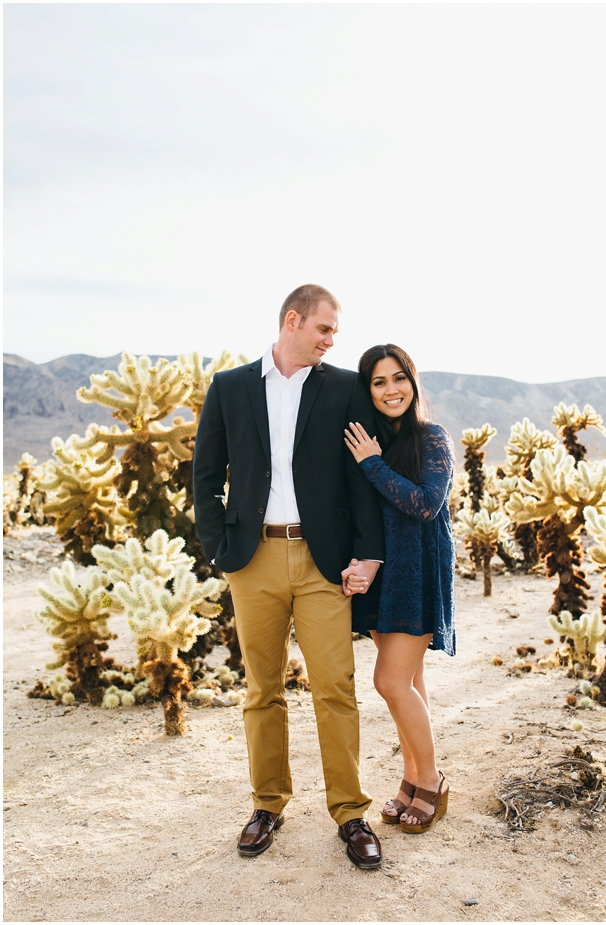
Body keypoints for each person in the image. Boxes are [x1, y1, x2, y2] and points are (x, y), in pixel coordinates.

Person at [191, 284, 387, 870]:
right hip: (253, 561)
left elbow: (360, 478)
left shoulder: (346, 387)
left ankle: (350, 813)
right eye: (324, 330)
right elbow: (204, 472)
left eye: (335, 334)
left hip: (323, 562)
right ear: (293, 321)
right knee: (262, 689)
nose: (331, 341)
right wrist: (218, 549)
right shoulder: (229, 388)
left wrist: (368, 552)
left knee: (335, 687)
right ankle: (267, 805)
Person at [343, 344, 457, 833]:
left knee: (389, 682)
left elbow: (427, 503)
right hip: (382, 574)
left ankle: (431, 779)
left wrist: (373, 464)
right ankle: (412, 777)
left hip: (417, 573)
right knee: (408, 683)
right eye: (378, 382)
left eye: (398, 378)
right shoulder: (372, 440)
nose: (391, 390)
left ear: (413, 382)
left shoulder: (431, 438)